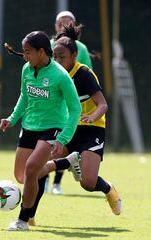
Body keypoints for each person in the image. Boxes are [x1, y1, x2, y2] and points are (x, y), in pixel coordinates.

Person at [26, 25, 123, 227]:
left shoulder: (85, 75)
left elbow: (103, 104)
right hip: (67, 127)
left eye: (62, 56)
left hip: (92, 129)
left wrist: (91, 116)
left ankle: (108, 189)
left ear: (75, 55)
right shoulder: (51, 73)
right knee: (39, 170)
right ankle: (28, 215)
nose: (58, 61)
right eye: (55, 56)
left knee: (87, 183)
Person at [0, 31, 81, 231]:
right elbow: (24, 97)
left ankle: (23, 220)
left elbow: (76, 109)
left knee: (31, 169)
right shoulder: (27, 69)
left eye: (28, 52)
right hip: (29, 126)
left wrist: (63, 138)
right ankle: (64, 162)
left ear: (42, 52)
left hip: (53, 128)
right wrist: (12, 118)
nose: (24, 56)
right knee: (22, 177)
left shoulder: (60, 76)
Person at [47, 10, 93, 194]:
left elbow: (88, 74)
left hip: (70, 102)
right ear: (55, 25)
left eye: (68, 23)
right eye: (60, 22)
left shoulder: (80, 48)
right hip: (50, 101)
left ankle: (57, 183)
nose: (64, 25)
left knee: (62, 141)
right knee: (46, 141)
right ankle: (43, 178)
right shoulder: (48, 45)